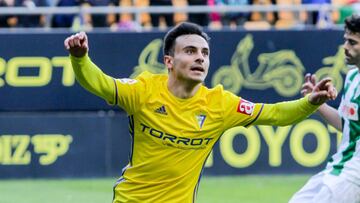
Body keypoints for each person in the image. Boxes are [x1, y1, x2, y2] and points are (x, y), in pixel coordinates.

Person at [64, 22, 337, 202]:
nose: (200, 58)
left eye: (205, 53)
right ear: (169, 61)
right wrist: (80, 59)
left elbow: (275, 114)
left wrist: (311, 102)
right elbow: (99, 83)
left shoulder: (220, 103)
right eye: (191, 51)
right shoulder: (143, 90)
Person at [289, 14, 360, 203]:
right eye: (346, 40)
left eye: (353, 42)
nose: (345, 47)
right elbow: (346, 126)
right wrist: (318, 104)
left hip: (353, 177)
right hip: (338, 167)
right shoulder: (353, 77)